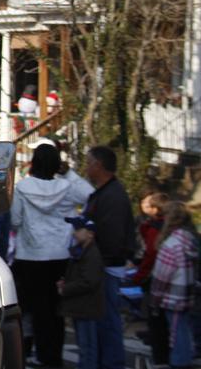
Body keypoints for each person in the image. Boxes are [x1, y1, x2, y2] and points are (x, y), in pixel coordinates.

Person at [11, 140, 94, 367]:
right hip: (59, 254)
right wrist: (70, 174)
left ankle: (35, 351)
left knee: (34, 308)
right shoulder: (66, 187)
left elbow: (16, 220)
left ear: (34, 163)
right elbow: (90, 194)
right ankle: (53, 356)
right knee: (57, 308)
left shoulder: (21, 188)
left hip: (30, 255)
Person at [82, 146, 136, 369]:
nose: (86, 167)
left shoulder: (113, 196)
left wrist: (97, 259)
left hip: (106, 265)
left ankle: (112, 362)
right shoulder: (105, 192)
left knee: (107, 320)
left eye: (89, 162)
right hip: (103, 263)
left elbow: (113, 236)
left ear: (99, 165)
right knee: (104, 320)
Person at [150, 201, 199, 369]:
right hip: (187, 293)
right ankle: (185, 357)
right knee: (183, 329)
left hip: (171, 295)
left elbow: (161, 276)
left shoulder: (171, 244)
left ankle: (180, 362)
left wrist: (154, 298)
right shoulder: (190, 241)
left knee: (176, 332)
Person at [57, 216, 105, 369]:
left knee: (87, 347)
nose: (74, 233)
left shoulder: (92, 255)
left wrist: (66, 288)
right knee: (84, 346)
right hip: (82, 307)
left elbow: (89, 282)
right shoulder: (81, 252)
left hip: (87, 307)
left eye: (78, 229)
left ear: (90, 233)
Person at [133, 192, 170, 365]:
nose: (143, 205)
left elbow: (151, 254)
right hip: (163, 275)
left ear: (155, 208)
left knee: (157, 318)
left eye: (148, 204)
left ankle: (160, 355)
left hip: (156, 276)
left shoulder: (155, 228)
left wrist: (139, 275)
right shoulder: (158, 225)